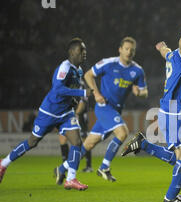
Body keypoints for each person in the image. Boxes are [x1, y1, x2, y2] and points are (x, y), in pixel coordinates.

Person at [121, 27, 181, 202]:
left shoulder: (173, 57)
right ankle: (169, 199)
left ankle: (143, 144)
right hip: (175, 110)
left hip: (167, 109)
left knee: (180, 157)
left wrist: (161, 47)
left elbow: (166, 52)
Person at [0, 38, 92, 191]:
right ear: (72, 52)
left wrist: (74, 100)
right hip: (49, 112)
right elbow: (58, 89)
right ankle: (4, 163)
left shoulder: (78, 71)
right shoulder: (64, 67)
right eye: (81, 50)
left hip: (65, 113)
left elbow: (69, 91)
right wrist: (82, 92)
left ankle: (70, 179)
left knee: (77, 142)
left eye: (85, 50)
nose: (84, 53)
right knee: (32, 142)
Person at [54, 36, 148, 184]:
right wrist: (96, 93)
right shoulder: (109, 63)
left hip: (116, 111)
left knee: (88, 145)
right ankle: (104, 167)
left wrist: (139, 92)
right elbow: (88, 75)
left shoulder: (137, 71)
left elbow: (145, 92)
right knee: (122, 132)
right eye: (127, 49)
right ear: (120, 50)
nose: (129, 52)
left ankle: (62, 168)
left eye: (132, 50)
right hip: (104, 107)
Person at [57, 97, 93, 172]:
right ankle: (65, 165)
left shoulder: (81, 88)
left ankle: (88, 166)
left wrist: (75, 113)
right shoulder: (65, 89)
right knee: (62, 138)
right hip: (68, 117)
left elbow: (82, 104)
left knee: (85, 142)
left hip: (80, 120)